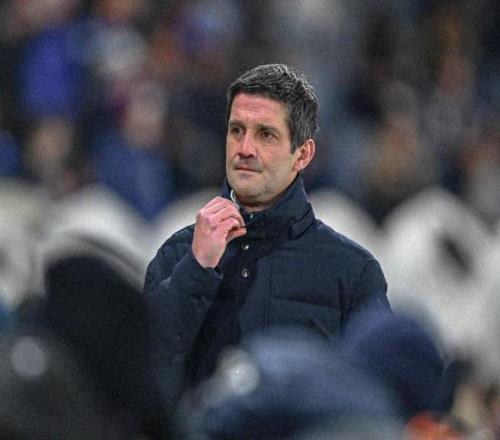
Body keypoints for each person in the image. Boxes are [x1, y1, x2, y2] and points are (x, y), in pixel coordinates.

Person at [144, 63, 391, 404]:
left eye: (266, 135)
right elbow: (143, 372)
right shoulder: (179, 254)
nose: (244, 148)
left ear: (302, 154)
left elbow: (378, 394)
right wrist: (197, 269)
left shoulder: (352, 272)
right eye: (237, 130)